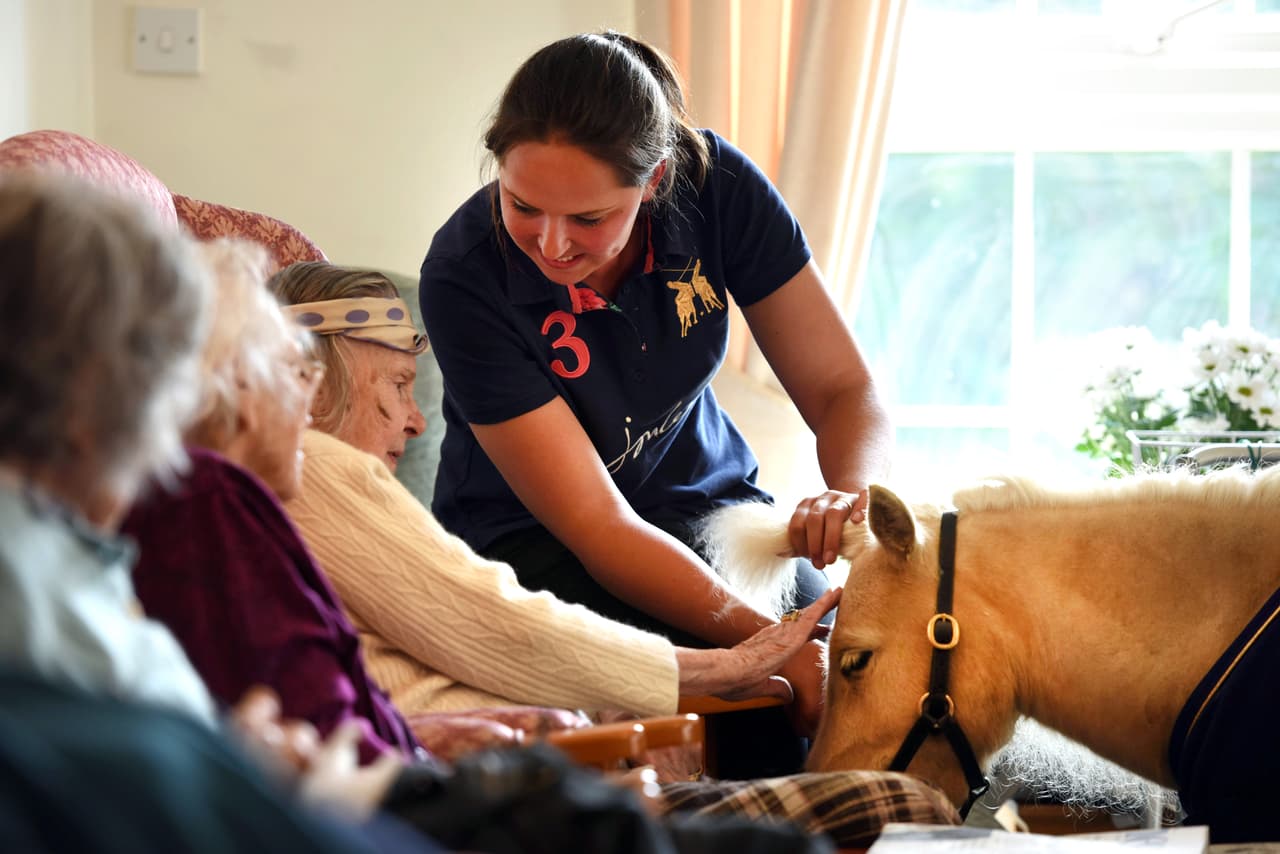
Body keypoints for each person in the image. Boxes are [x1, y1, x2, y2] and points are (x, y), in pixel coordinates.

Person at [269, 261, 959, 845]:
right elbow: (498, 623)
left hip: (542, 782)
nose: (418, 419)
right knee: (909, 812)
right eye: (396, 388)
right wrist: (730, 661)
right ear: (311, 385)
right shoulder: (316, 466)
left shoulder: (301, 501)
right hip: (507, 801)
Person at [417, 31, 892, 775]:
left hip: (714, 509)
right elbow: (599, 528)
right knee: (758, 717)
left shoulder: (717, 187)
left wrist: (858, 512)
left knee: (865, 678)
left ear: (655, 180)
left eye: (588, 219)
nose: (551, 244)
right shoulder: (463, 277)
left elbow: (844, 390)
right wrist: (766, 646)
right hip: (538, 545)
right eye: (523, 204)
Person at [0, 172, 433, 854]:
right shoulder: (52, 566)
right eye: (161, 381)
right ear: (92, 400)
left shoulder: (72, 549)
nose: (170, 421)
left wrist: (235, 754)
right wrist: (262, 777)